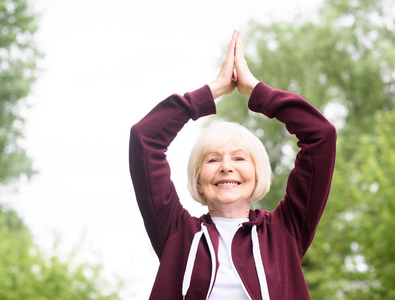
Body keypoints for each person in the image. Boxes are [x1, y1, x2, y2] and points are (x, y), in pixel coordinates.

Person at [129, 30, 336, 300]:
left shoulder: (286, 231)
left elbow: (321, 136)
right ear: (198, 180)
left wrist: (257, 91)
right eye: (213, 159)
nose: (227, 167)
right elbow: (145, 139)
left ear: (257, 174)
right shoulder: (176, 234)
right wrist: (211, 91)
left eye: (239, 158)